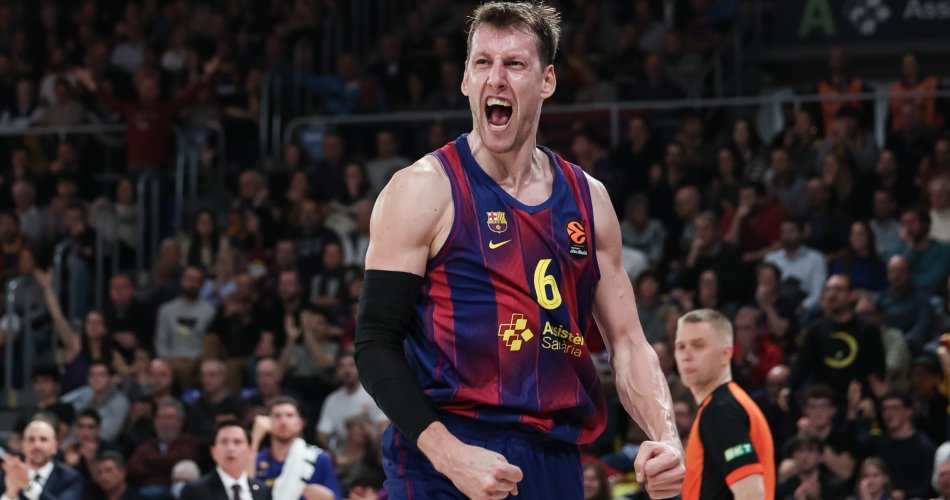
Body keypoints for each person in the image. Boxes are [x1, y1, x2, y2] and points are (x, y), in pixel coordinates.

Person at [354, 2, 685, 499]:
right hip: (444, 458)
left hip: (554, 458)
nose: (496, 79)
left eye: (514, 64)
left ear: (547, 80)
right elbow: (375, 343)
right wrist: (450, 456)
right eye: (482, 63)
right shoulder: (423, 188)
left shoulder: (589, 199)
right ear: (465, 79)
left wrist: (667, 438)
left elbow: (629, 343)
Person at [674, 308, 774, 499]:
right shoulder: (725, 404)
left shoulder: (721, 410)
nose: (686, 355)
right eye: (680, 346)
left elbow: (751, 495)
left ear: (726, 353)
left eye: (698, 345)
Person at [249, 397, 341, 500]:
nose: (283, 421)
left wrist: (328, 497)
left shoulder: (318, 459)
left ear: (300, 423)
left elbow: (336, 496)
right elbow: (244, 492)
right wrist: (255, 440)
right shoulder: (257, 459)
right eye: (277, 416)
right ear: (268, 422)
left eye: (290, 415)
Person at [180, 420, 270, 500]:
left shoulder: (263, 491)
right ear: (213, 452)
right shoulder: (195, 491)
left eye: (237, 442)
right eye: (224, 442)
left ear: (249, 450)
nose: (230, 448)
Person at [0, 419, 84, 500]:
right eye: (31, 439)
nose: (37, 445)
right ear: (23, 445)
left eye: (43, 439)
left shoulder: (71, 478)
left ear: (55, 446)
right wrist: (10, 494)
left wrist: (29, 486)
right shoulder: (6, 475)